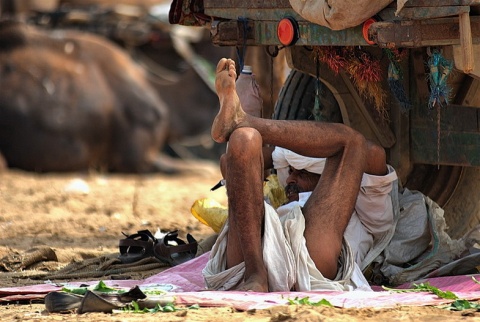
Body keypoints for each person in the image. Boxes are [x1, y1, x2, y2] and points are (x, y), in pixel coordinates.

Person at [202, 58, 398, 292]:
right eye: (291, 173)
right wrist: (252, 138)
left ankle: (244, 120)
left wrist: (280, 149)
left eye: (302, 173)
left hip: (313, 259)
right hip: (253, 256)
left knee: (351, 142)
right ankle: (256, 275)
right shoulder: (270, 213)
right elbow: (230, 163)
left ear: (326, 177)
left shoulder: (366, 208)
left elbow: (372, 153)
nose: (291, 179)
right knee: (243, 140)